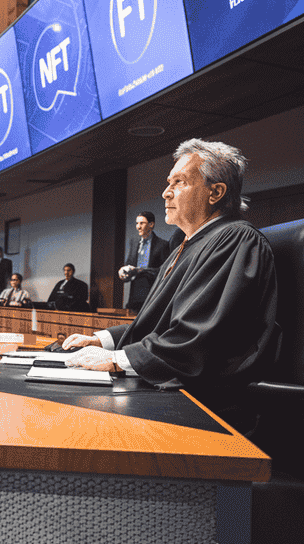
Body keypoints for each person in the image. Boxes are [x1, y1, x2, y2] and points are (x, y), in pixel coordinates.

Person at [62, 139, 280, 435]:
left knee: (78, 424)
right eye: (169, 182)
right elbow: (159, 323)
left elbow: (199, 335)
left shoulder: (236, 240)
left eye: (179, 182)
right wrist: (101, 341)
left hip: (206, 408)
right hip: (173, 390)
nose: (166, 192)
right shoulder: (185, 246)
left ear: (215, 192)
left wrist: (116, 359)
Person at [118, 211, 171, 313]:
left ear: (151, 224)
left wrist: (139, 270)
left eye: (142, 223)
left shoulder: (162, 245)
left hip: (152, 297)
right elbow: (128, 264)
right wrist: (124, 272)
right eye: (137, 223)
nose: (138, 227)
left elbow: (164, 271)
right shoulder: (133, 243)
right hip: (134, 298)